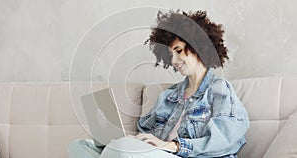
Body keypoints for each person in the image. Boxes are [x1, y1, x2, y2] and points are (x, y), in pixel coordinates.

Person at [68, 10, 249, 158]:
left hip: (186, 156)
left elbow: (226, 140)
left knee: (123, 149)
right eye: (170, 55)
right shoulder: (168, 96)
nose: (174, 60)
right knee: (80, 147)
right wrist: (130, 141)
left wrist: (174, 146)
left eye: (178, 51)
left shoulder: (219, 89)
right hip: (157, 154)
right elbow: (145, 136)